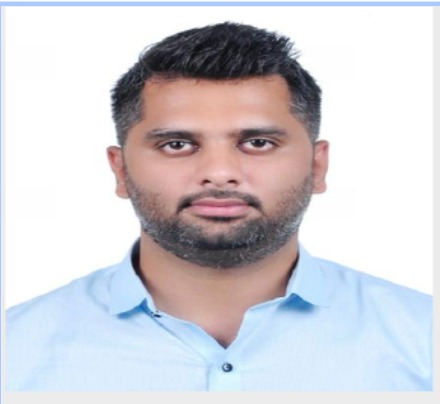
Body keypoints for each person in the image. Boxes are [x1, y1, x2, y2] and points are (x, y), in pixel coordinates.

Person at [5, 22, 432, 392]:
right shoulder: (16, 351)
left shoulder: (424, 339)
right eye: (177, 144)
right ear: (120, 170)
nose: (219, 173)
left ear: (317, 166)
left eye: (258, 143)